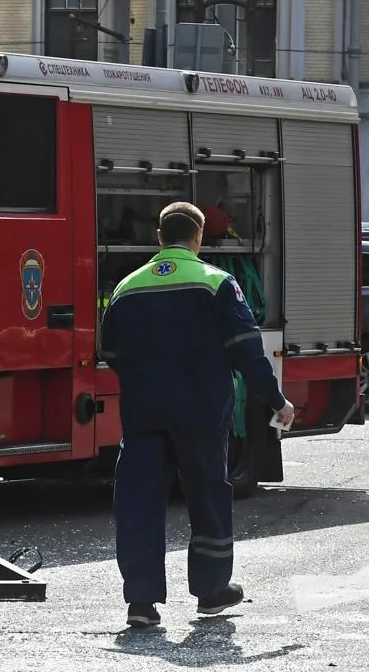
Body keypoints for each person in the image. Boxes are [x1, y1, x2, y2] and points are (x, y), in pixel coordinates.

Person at [99, 202, 296, 628]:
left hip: (144, 412)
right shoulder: (215, 283)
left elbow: (109, 352)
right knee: (207, 494)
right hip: (202, 412)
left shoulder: (126, 287)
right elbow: (247, 351)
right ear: (199, 238)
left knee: (138, 502)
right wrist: (276, 400)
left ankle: (141, 602)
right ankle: (210, 592)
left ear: (158, 238)